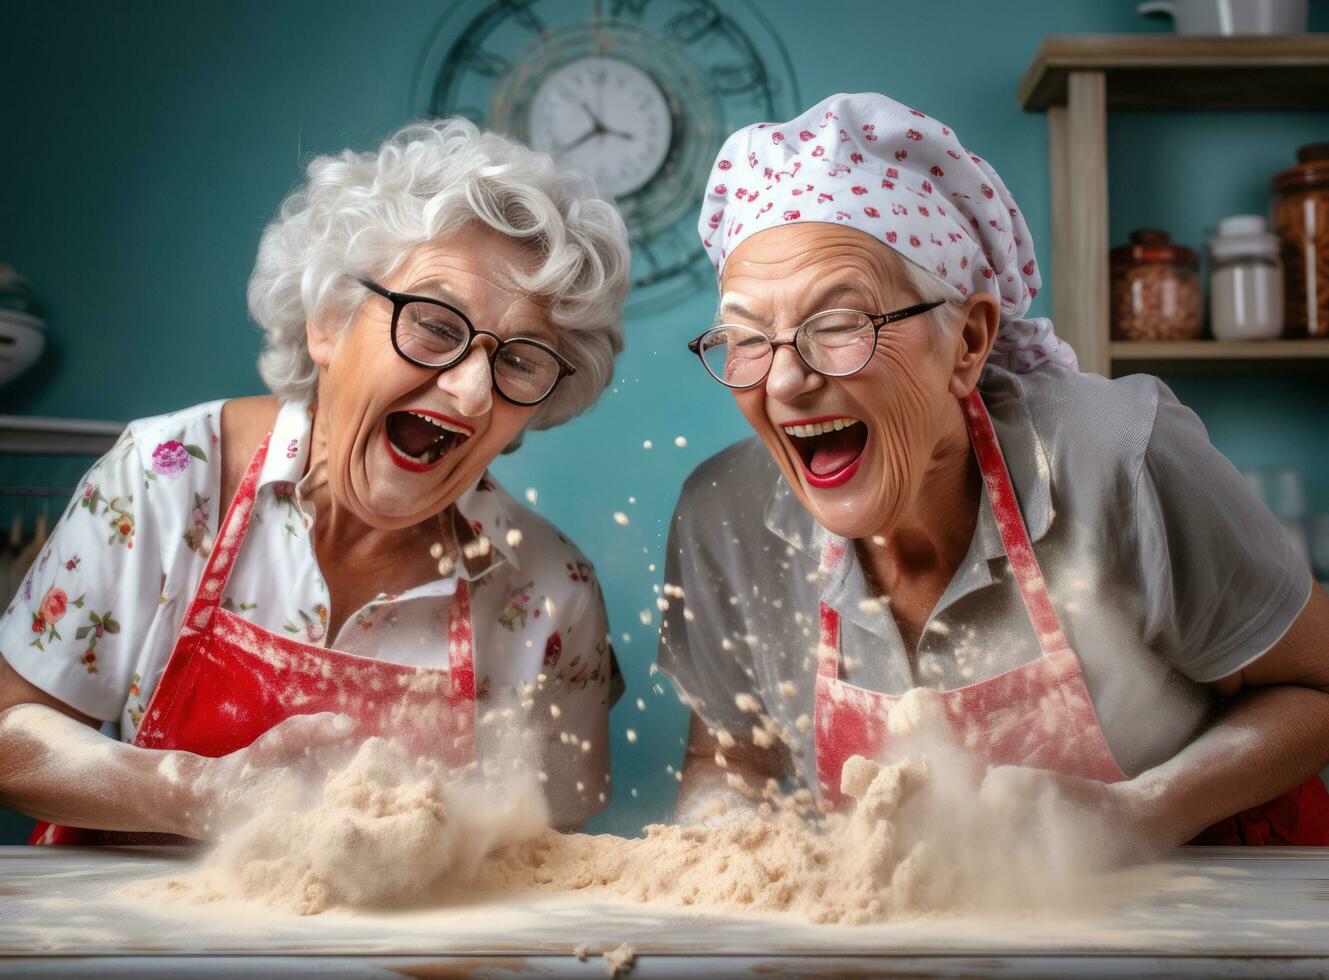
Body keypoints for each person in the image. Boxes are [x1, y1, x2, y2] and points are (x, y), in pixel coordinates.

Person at [658, 92, 1329, 849]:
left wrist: (1142, 812)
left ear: (969, 342)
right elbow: (728, 763)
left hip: (1203, 910)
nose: (782, 382)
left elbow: (1317, 684)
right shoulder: (724, 513)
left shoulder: (1113, 455)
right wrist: (727, 851)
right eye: (746, 338)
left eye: (838, 324)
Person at [0, 118, 629, 839]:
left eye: (519, 360)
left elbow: (551, 852)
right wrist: (197, 793)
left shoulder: (552, 591)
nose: (473, 391)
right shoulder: (165, 478)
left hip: (408, 957)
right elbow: (10, 733)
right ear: (327, 319)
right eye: (434, 323)